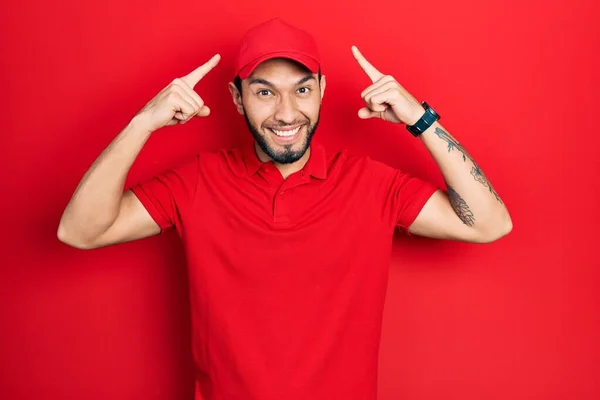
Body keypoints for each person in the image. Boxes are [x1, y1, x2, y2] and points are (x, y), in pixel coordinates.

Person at [58, 17, 512, 400]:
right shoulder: (197, 181)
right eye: (264, 92)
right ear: (238, 99)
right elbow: (81, 231)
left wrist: (420, 119)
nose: (287, 112)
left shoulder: (370, 183)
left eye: (302, 90)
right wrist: (143, 123)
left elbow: (489, 224)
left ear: (321, 91)